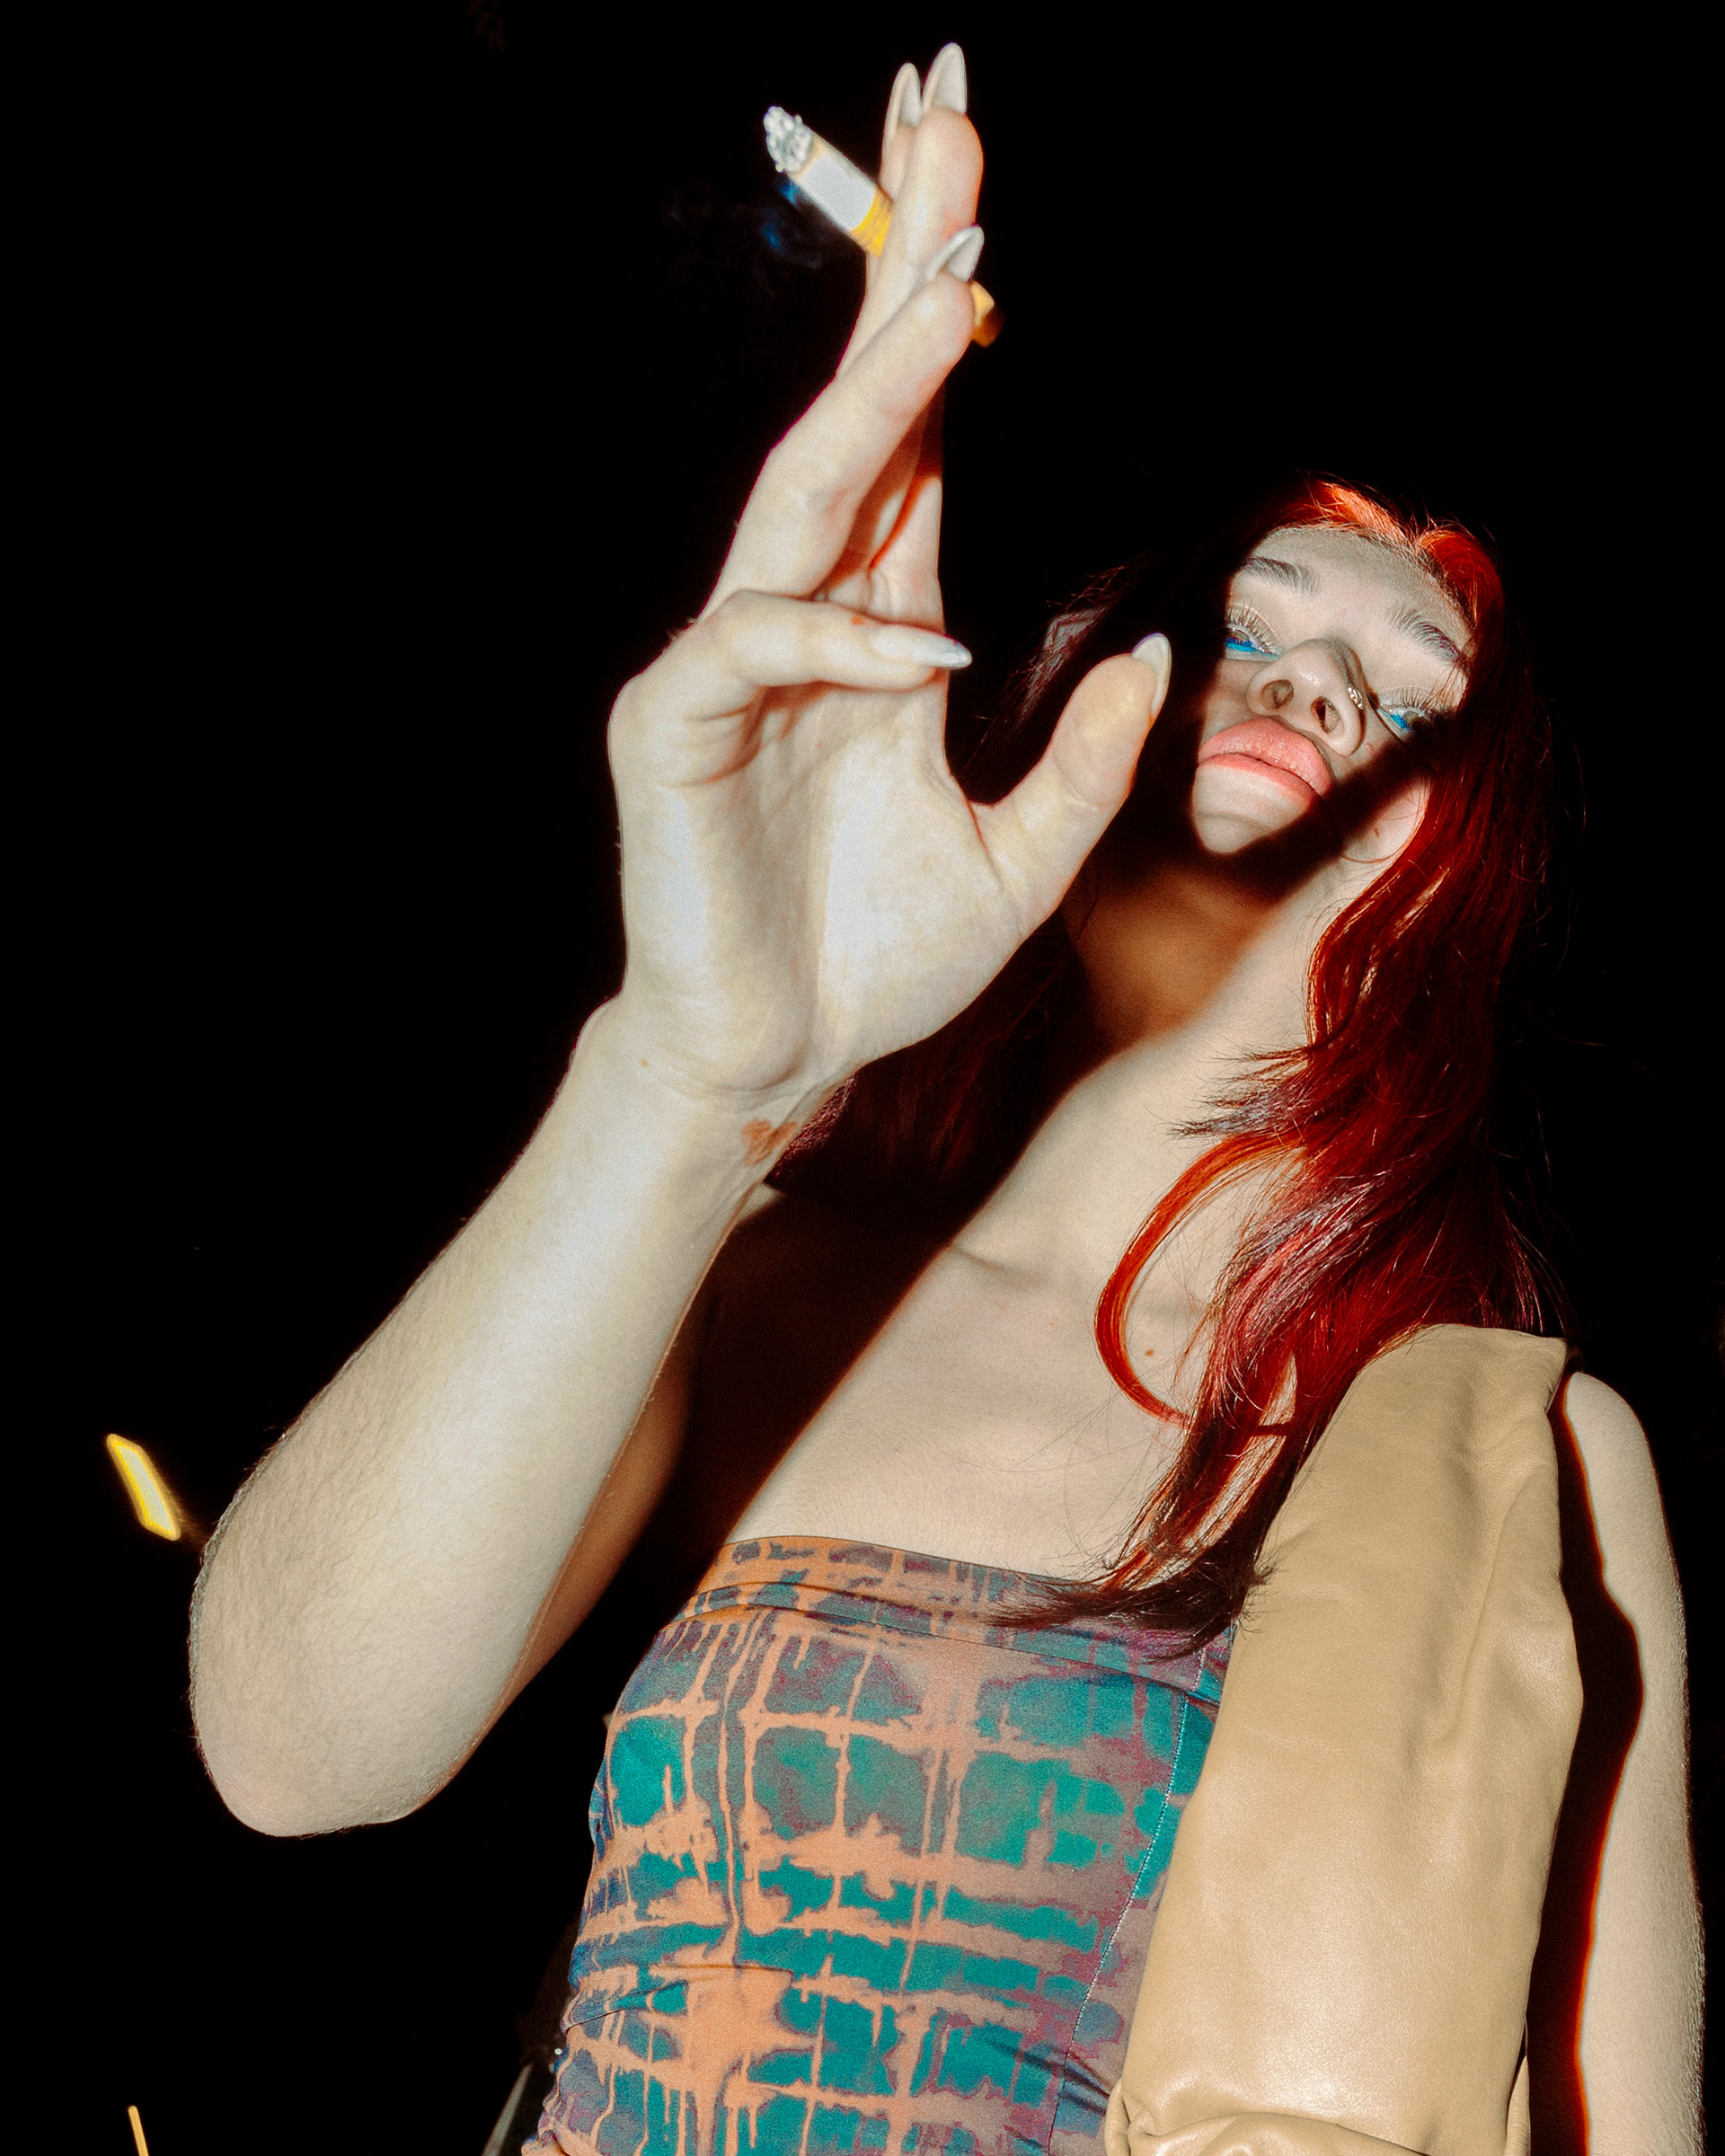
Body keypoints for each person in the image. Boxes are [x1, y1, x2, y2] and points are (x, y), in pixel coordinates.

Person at [188, 46, 1702, 2153]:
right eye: (1250, 623)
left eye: (1410, 686)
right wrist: (690, 1070)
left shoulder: (1515, 1458)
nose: (1314, 684)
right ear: (1082, 685)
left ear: (1468, 872)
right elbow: (292, 1752)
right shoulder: (762, 1279)